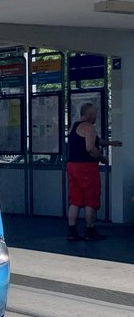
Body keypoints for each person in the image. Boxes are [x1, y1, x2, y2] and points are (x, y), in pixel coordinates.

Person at [65, 102, 122, 241]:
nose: (97, 116)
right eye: (95, 113)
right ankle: (90, 231)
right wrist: (102, 158)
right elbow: (91, 147)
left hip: (72, 166)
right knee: (91, 198)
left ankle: (72, 232)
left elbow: (95, 141)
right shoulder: (89, 127)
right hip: (87, 168)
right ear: (90, 114)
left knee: (75, 200)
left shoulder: (74, 126)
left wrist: (110, 143)